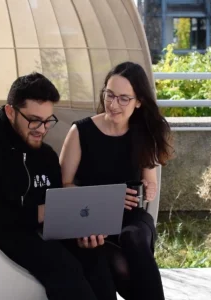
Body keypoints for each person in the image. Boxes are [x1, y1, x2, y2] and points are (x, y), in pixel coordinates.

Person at [0, 72, 117, 300]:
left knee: (94, 257)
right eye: (34, 120)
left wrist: (80, 233)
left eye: (48, 121)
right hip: (0, 237)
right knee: (64, 267)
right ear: (10, 111)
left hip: (40, 233)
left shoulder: (44, 154)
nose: (42, 129)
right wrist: (40, 213)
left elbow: (55, 212)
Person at [60, 62, 173, 300]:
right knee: (119, 267)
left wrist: (149, 189)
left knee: (134, 238)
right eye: (109, 95)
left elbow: (149, 181)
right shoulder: (80, 131)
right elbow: (64, 186)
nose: (113, 104)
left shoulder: (144, 133)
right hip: (92, 218)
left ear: (139, 101)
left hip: (132, 218)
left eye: (123, 98)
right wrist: (106, 198)